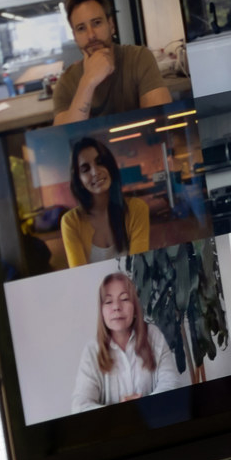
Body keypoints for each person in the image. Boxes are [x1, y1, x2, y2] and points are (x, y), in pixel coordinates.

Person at [49, 0, 173, 120]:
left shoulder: (139, 58)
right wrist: (88, 82)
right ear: (75, 37)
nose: (91, 35)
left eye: (96, 23)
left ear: (111, 25)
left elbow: (162, 121)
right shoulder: (66, 82)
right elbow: (65, 137)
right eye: (81, 28)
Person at [70, 272, 183, 411]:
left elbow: (172, 382)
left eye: (124, 299)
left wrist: (145, 406)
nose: (116, 307)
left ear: (135, 307)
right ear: (102, 311)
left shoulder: (153, 335)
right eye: (109, 301)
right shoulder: (92, 350)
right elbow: (79, 405)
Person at [54, 135, 150, 267]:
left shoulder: (137, 209)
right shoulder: (71, 222)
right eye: (85, 169)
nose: (95, 172)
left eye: (100, 162)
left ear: (110, 166)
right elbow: (79, 275)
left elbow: (139, 268)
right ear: (79, 181)